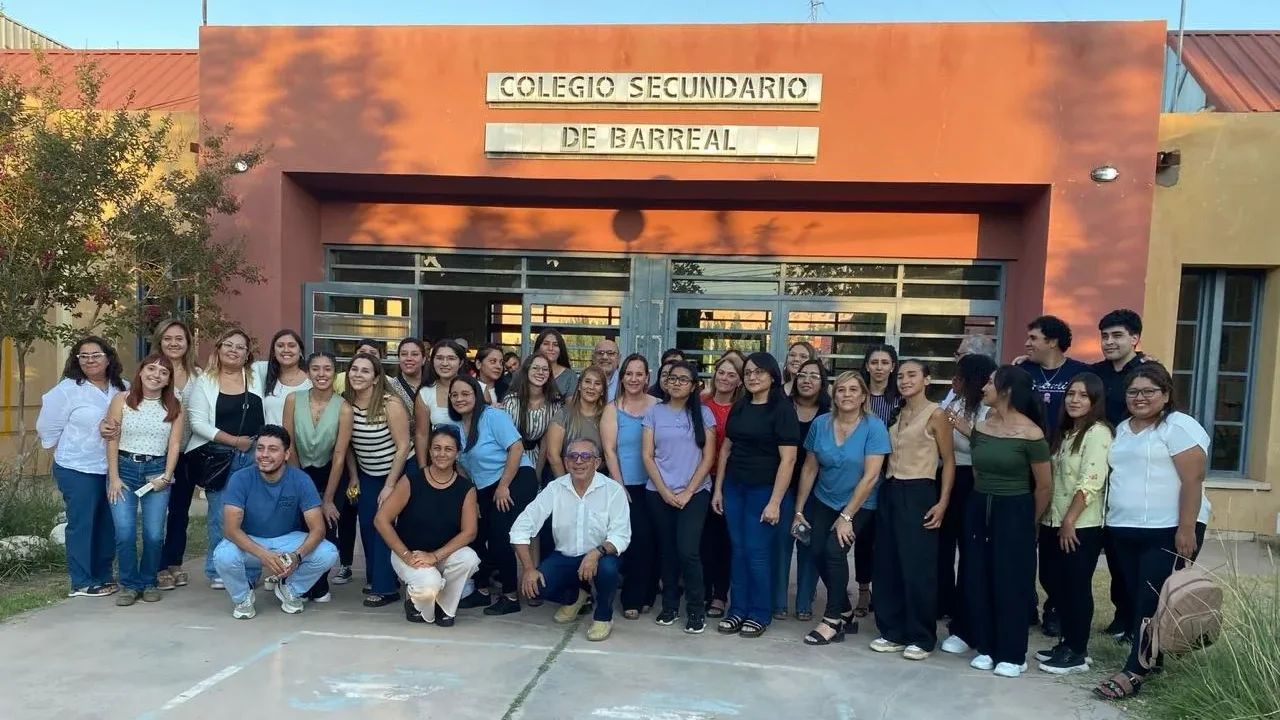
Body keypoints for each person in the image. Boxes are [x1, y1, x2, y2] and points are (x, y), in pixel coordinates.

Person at [1094, 363, 1210, 701]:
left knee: (1150, 600)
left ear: (1166, 394)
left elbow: (1193, 480)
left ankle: (1135, 670)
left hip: (1168, 529)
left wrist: (1186, 529)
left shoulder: (1179, 427)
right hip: (1125, 528)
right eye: (1133, 391)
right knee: (1135, 597)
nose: (1140, 397)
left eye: (1149, 391)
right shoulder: (1123, 429)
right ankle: (1153, 659)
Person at [956, 365, 1052, 678]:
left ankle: (1012, 653)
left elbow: (1044, 486)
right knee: (977, 575)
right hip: (979, 505)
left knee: (1010, 581)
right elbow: (978, 470)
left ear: (1007, 390)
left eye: (990, 382)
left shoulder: (1031, 434)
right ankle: (986, 647)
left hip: (1015, 509)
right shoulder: (982, 426)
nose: (984, 387)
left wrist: (1030, 522)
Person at [792, 371, 890, 645]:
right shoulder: (821, 423)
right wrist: (799, 511)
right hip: (825, 498)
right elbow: (809, 467)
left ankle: (832, 619)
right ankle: (845, 609)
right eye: (841, 390)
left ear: (863, 396)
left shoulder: (874, 427)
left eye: (853, 390)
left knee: (835, 551)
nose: (847, 395)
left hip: (861, 502)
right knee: (816, 550)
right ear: (834, 396)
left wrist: (847, 516)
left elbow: (871, 476)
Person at [870, 360, 955, 661]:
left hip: (920, 490)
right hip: (890, 490)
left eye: (912, 375)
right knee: (888, 563)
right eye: (901, 376)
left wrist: (943, 502)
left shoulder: (936, 414)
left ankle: (921, 635)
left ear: (926, 380)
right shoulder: (897, 412)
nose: (905, 380)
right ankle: (892, 631)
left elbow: (949, 461)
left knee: (917, 567)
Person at [713, 353, 800, 639]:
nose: (752, 377)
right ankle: (737, 609)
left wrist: (775, 502)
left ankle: (760, 613)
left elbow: (788, 460)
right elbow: (726, 449)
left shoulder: (783, 410)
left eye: (759, 372)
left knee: (757, 553)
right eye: (748, 372)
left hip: (764, 491)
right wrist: (719, 488)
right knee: (738, 551)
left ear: (773, 376)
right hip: (734, 488)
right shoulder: (740, 406)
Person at [210, 426, 339, 619]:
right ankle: (243, 598)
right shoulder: (240, 478)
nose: (264, 454)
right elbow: (230, 530)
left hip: (286, 541)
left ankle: (290, 588)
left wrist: (297, 556)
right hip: (251, 541)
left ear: (286, 454)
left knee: (328, 552)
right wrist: (264, 555)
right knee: (223, 555)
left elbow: (318, 529)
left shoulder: (301, 479)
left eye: (273, 449)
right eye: (260, 448)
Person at [512, 438, 632, 642]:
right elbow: (521, 527)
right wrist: (529, 568)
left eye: (586, 456)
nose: (579, 461)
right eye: (573, 456)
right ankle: (576, 597)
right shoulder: (555, 488)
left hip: (602, 555)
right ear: (566, 463)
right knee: (536, 587)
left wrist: (596, 553)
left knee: (608, 570)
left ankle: (603, 616)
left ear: (597, 462)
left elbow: (621, 535)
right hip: (566, 555)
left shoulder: (613, 490)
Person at [37, 336, 128, 598]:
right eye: (83, 356)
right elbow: (47, 427)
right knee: (82, 523)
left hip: (112, 468)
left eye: (96, 355)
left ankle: (103, 575)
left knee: (107, 523)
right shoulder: (66, 390)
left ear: (108, 358)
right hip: (77, 467)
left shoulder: (122, 387)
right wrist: (70, 444)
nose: (90, 360)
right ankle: (82, 581)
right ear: (76, 360)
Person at [1034, 373, 1112, 674]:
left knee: (1076, 587)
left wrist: (1069, 520)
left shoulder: (1098, 433)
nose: (1074, 400)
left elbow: (1090, 482)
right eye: (1070, 394)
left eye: (1083, 395)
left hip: (1081, 525)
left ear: (1095, 401)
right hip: (1053, 520)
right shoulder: (1066, 434)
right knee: (1053, 581)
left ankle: (1077, 651)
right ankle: (1067, 642)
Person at [374, 425, 482, 626]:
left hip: (442, 554)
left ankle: (445, 607)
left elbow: (469, 532)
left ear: (457, 453)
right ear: (429, 451)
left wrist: (434, 556)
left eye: (448, 449)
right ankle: (414, 602)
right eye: (437, 448)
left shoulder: (466, 488)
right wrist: (406, 555)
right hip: (411, 554)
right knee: (429, 582)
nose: (442, 454)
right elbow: (381, 519)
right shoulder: (411, 481)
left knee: (469, 558)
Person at [450, 375, 538, 615]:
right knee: (474, 533)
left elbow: (516, 448)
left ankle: (510, 596)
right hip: (483, 486)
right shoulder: (455, 427)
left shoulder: (492, 416)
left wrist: (504, 486)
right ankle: (482, 591)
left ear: (477, 395)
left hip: (515, 478)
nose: (459, 399)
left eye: (465, 394)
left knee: (500, 534)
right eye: (454, 395)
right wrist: (472, 498)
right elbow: (462, 467)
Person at [186, 328, 265, 591]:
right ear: (218, 349)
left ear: (247, 354)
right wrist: (234, 441)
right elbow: (197, 422)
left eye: (240, 347)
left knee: (252, 515)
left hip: (256, 455)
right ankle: (218, 568)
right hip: (220, 456)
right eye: (228, 345)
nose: (233, 350)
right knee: (221, 516)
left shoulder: (256, 376)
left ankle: (250, 570)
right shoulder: (205, 381)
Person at [642, 360, 718, 633]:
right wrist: (664, 491)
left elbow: (708, 457)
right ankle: (670, 605)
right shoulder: (654, 412)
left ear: (694, 385)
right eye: (672, 378)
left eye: (683, 379)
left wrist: (687, 492)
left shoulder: (704, 414)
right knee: (667, 551)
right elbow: (647, 456)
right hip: (659, 492)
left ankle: (696, 609)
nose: (676, 383)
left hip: (694, 493)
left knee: (688, 550)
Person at [104, 354, 184, 606]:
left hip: (156, 471)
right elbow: (112, 439)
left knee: (153, 534)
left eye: (163, 372)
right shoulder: (122, 399)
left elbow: (174, 444)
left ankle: (148, 581)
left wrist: (166, 477)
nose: (156, 375)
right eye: (151, 369)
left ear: (168, 380)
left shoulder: (174, 406)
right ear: (140, 372)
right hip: (125, 469)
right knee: (125, 532)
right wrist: (114, 478)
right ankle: (129, 585)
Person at [341, 352, 414, 607]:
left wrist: (390, 485)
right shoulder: (346, 404)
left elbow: (403, 446)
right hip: (368, 472)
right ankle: (378, 577)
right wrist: (353, 476)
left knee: (383, 522)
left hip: (399, 470)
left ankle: (386, 589)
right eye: (354, 369)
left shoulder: (389, 403)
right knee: (366, 524)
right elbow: (347, 447)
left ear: (375, 378)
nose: (358, 374)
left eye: (365, 371)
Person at [1089, 309, 1145, 639]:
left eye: (1117, 335)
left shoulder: (1146, 373)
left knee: (1128, 547)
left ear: (1134, 338)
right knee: (1112, 549)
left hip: (1131, 469)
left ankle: (1134, 618)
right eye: (1105, 336)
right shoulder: (1096, 373)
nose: (1109, 342)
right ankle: (1121, 615)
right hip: (1098, 467)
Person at [282, 352, 351, 602]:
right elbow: (288, 444)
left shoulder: (344, 408)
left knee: (327, 528)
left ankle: (319, 584)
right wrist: (301, 486)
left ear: (334, 372)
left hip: (331, 475)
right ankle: (296, 582)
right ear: (308, 372)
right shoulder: (293, 399)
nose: (321, 374)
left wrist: (328, 498)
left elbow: (340, 455)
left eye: (327, 369)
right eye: (315, 368)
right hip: (297, 472)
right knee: (299, 528)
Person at [938, 353, 997, 637]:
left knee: (968, 546)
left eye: (959, 376)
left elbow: (990, 446)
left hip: (971, 479)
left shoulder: (987, 408)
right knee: (942, 544)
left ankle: (965, 604)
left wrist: (965, 428)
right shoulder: (955, 400)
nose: (954, 380)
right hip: (946, 475)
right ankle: (943, 600)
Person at [601, 354, 660, 619]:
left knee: (653, 541)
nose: (634, 379)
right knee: (637, 541)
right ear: (622, 377)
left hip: (656, 485)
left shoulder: (658, 406)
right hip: (626, 485)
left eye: (639, 374)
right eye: (629, 374)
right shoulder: (612, 409)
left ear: (647, 377)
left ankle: (648, 594)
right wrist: (619, 485)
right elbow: (610, 451)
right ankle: (632, 599)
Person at [775, 358, 826, 620]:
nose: (807, 380)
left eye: (814, 376)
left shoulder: (828, 413)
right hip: (782, 486)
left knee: (809, 545)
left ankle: (804, 601)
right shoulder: (781, 407)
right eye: (803, 375)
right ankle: (778, 602)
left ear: (822, 382)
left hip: (817, 490)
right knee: (781, 545)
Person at [153, 319, 202, 592]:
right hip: (156, 454)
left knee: (179, 511)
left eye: (179, 338)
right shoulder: (151, 372)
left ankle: (174, 561)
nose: (174, 343)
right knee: (157, 512)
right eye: (168, 338)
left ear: (188, 343)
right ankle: (158, 565)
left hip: (188, 453)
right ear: (159, 341)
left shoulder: (199, 375)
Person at [700, 354, 742, 618]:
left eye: (731, 375)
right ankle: (703, 590)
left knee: (723, 540)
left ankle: (719, 594)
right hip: (698, 478)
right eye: (721, 372)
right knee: (702, 540)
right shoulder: (701, 403)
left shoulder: (741, 408)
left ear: (740, 381)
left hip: (727, 480)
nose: (724, 378)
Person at [546, 365, 607, 478]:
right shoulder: (563, 414)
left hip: (599, 477)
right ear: (579, 386)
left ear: (602, 391)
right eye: (587, 382)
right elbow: (552, 454)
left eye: (597, 384)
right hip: (567, 477)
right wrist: (565, 484)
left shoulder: (608, 416)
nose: (591, 387)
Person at [254, 329, 310, 426]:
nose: (286, 350)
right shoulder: (263, 371)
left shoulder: (311, 380)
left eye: (291, 346)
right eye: (280, 346)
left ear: (300, 351)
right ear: (274, 352)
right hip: (269, 435)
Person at [415, 339, 468, 437]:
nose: (444, 363)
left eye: (451, 358)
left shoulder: (478, 388)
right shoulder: (425, 393)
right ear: (432, 361)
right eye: (439, 358)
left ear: (461, 363)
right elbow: (421, 435)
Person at [389, 338, 427, 433]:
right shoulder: (389, 387)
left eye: (414, 354)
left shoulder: (432, 385)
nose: (409, 358)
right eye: (404, 354)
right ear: (399, 358)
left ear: (423, 359)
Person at [534, 329, 579, 397]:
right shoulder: (528, 372)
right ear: (538, 347)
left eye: (555, 345)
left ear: (561, 349)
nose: (551, 348)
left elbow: (571, 402)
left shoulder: (570, 376)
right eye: (546, 344)